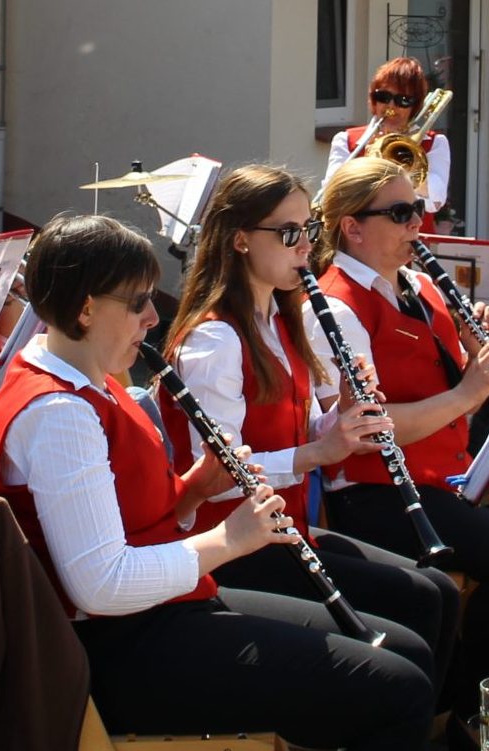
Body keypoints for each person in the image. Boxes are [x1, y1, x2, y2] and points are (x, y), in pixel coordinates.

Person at [0, 213, 434, 751]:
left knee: (410, 649)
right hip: (117, 656)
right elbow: (99, 583)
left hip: (154, 620)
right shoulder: (58, 412)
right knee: (397, 695)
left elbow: (125, 522)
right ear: (86, 307)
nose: (154, 315)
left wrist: (192, 493)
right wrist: (227, 541)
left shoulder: (84, 375)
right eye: (138, 301)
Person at [308, 159, 489, 717]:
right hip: (378, 495)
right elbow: (366, 431)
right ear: (351, 225)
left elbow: (452, 381)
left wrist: (476, 350)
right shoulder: (334, 306)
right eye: (400, 213)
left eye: (416, 210)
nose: (416, 224)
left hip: (449, 477)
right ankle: (473, 708)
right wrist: (469, 391)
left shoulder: (419, 285)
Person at [165, 163, 461, 683]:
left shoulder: (281, 321)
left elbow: (296, 430)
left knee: (436, 591)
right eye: (288, 233)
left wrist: (340, 417)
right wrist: (318, 454)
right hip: (235, 549)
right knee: (415, 614)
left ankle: (422, 739)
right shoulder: (215, 341)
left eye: (309, 229)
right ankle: (379, 731)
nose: (305, 246)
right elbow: (213, 478)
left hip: (288, 530)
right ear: (238, 241)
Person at [325, 58, 451, 228]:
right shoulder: (346, 140)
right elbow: (332, 195)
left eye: (403, 100)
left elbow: (435, 201)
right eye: (383, 97)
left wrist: (407, 163)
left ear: (415, 105)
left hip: (411, 240)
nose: (391, 106)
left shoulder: (434, 143)